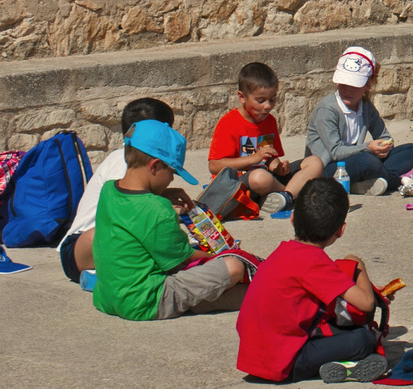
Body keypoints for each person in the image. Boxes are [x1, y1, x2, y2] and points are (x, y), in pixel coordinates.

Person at [91, 120, 249, 320]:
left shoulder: (108, 190)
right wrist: (228, 256)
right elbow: (182, 261)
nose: (172, 180)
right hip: (147, 300)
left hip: (108, 297)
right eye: (172, 172)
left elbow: (134, 210)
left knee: (232, 287)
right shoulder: (158, 210)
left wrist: (160, 194)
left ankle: (222, 298)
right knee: (233, 267)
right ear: (155, 165)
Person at [236, 178, 389, 384]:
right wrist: (359, 266)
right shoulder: (314, 262)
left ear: (292, 218)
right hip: (285, 364)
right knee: (363, 339)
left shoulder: (283, 252)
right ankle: (345, 366)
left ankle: (332, 363)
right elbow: (366, 303)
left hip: (255, 357)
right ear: (340, 230)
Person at [60, 97, 191, 283]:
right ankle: (102, 277)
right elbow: (132, 216)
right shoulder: (122, 165)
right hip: (81, 247)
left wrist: (165, 196)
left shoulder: (133, 162)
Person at [207, 62, 325, 218]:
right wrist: (253, 159)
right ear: (242, 97)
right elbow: (214, 166)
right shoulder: (229, 123)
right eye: (260, 100)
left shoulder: (269, 121)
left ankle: (284, 197)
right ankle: (291, 194)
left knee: (315, 161)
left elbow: (269, 158)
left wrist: (278, 167)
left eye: (272, 99)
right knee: (259, 177)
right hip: (242, 183)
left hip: (269, 178)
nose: (267, 106)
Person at [306, 46, 413, 196]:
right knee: (367, 161)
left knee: (411, 151)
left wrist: (383, 147)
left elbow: (384, 136)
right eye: (343, 84)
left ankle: (366, 183)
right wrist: (368, 148)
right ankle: (400, 181)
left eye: (354, 85)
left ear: (368, 84)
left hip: (358, 158)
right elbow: (336, 152)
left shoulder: (366, 107)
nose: (348, 90)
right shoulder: (327, 110)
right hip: (330, 168)